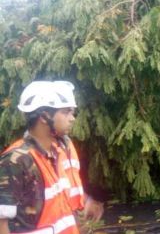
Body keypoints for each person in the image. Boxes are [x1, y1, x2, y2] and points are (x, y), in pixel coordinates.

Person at [0, 81, 104, 234]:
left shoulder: (55, 153)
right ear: (44, 116)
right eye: (66, 112)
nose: (72, 118)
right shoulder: (16, 160)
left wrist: (86, 201)